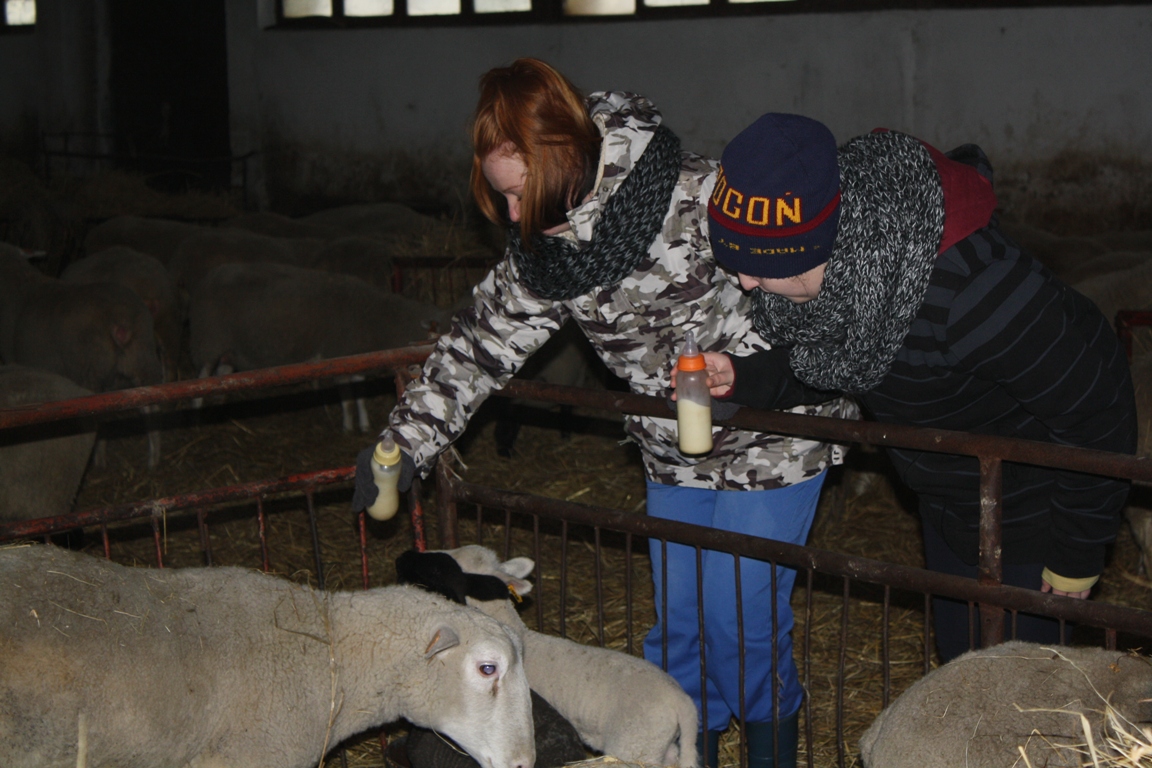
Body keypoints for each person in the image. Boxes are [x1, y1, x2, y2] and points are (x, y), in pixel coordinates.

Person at [351, 60, 855, 768]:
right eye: (503, 197)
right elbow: (477, 346)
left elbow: (809, 283)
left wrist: (754, 371)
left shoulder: (697, 196)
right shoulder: (548, 254)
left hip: (772, 442)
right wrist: (404, 445)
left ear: (561, 157)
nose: (514, 215)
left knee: (740, 627)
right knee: (681, 635)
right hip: (672, 451)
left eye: (520, 192)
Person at [690, 112, 1137, 662]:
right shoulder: (842, 279)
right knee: (960, 669)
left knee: (1022, 691)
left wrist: (1077, 554)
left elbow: (1098, 407)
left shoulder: (975, 294)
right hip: (950, 506)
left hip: (1032, 521)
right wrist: (746, 376)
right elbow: (838, 359)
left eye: (759, 265)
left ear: (818, 243)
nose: (744, 283)